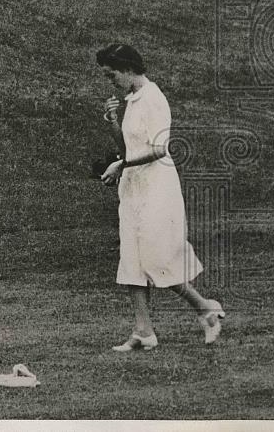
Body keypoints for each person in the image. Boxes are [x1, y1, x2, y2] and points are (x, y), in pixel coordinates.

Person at [96, 43, 225, 351]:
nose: (110, 80)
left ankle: (205, 309)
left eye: (111, 73)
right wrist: (113, 122)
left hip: (157, 189)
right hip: (133, 189)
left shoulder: (154, 98)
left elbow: (158, 149)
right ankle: (143, 331)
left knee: (157, 257)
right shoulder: (133, 100)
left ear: (127, 68)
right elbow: (129, 148)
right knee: (132, 259)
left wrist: (120, 164)